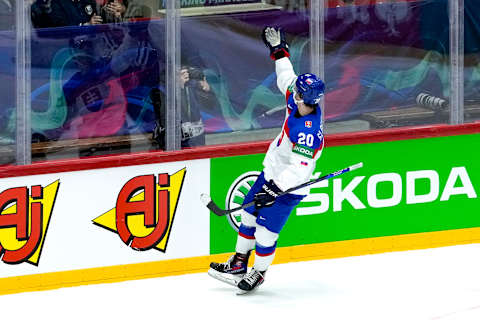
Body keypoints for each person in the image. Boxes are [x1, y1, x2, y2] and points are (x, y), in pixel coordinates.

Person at [208, 26, 325, 293]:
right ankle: (238, 263)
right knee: (249, 214)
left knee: (266, 233)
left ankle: (258, 273)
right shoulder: (297, 99)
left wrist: (274, 189)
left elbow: (300, 168)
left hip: (289, 188)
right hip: (272, 171)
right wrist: (279, 52)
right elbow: (287, 77)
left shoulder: (308, 131)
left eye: (297, 93)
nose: (292, 93)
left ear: (308, 100)